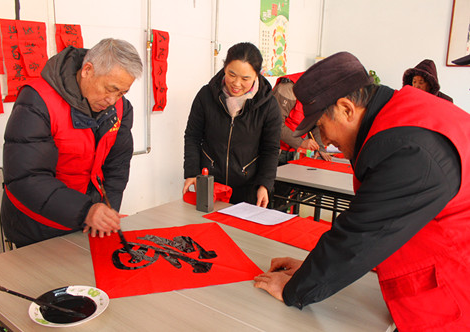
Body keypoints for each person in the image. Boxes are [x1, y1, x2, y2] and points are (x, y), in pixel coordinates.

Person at [254, 52, 470, 331]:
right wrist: (310, 268)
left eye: (321, 126)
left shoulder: (410, 149)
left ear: (346, 109)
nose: (325, 139)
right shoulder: (402, 113)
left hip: (451, 287)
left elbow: (361, 235)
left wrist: (296, 288)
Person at [1, 38, 143, 247]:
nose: (112, 100)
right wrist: (86, 211)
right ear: (87, 70)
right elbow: (27, 177)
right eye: (109, 88)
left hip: (84, 221)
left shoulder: (121, 108)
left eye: (121, 92)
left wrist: (105, 209)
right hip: (36, 225)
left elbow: (117, 166)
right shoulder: (37, 100)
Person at [183, 42, 281, 208]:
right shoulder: (206, 96)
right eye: (231, 74)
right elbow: (193, 136)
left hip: (248, 188)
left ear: (257, 75)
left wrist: (265, 184)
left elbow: (270, 149)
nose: (236, 84)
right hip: (211, 185)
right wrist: (192, 172)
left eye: (245, 79)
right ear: (224, 68)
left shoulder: (268, 105)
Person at [272, 72, 331, 165]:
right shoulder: (288, 88)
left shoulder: (319, 92)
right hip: (274, 149)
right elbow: (275, 124)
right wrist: (301, 143)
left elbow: (314, 123)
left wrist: (321, 148)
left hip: (292, 150)